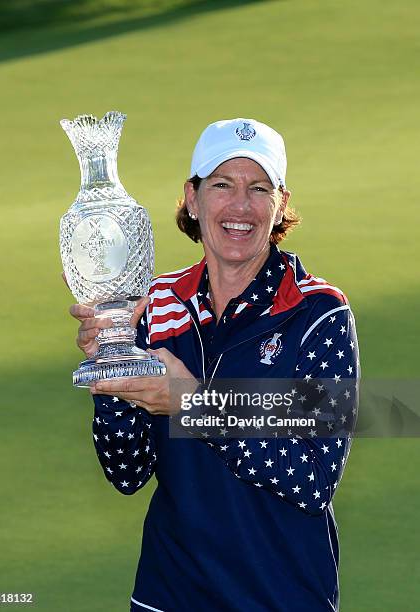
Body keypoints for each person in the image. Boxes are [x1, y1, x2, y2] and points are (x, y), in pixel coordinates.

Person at [70, 118, 359, 611]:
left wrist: (192, 403)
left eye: (259, 188)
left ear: (281, 203)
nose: (240, 207)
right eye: (222, 184)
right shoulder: (156, 301)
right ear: (193, 197)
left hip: (281, 596)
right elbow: (127, 471)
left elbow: (313, 477)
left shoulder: (319, 314)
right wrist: (112, 371)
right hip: (170, 594)